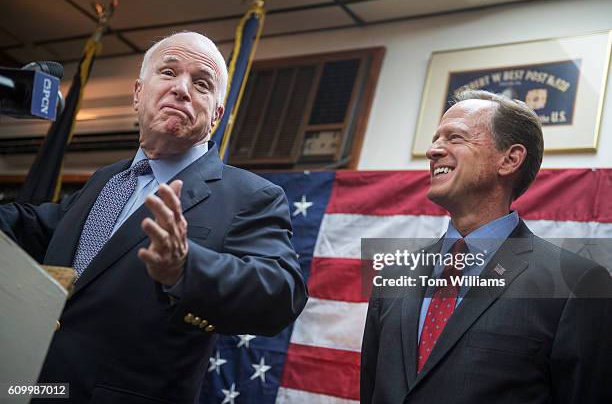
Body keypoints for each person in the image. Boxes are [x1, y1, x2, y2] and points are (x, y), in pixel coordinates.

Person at [0, 31, 307, 403]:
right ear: (137, 93)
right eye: (168, 72)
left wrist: (185, 267)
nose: (182, 89)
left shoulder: (251, 196)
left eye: (201, 83)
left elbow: (281, 293)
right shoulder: (107, 179)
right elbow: (36, 228)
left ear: (215, 116)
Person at [360, 90, 612, 403]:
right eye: (436, 137)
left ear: (510, 159)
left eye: (455, 137)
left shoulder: (577, 284)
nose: (432, 150)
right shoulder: (394, 274)